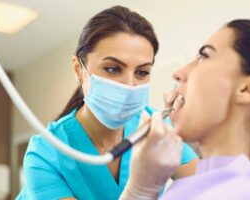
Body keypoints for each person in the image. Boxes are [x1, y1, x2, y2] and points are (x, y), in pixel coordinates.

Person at [16, 6, 198, 200]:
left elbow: (216, 187)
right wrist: (140, 189)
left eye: (142, 72)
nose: (129, 85)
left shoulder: (156, 129)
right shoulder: (45, 153)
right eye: (112, 69)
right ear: (78, 69)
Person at [120, 19, 250, 200]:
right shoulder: (206, 186)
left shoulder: (247, 195)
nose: (178, 73)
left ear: (249, 89)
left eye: (204, 56)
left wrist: (139, 192)